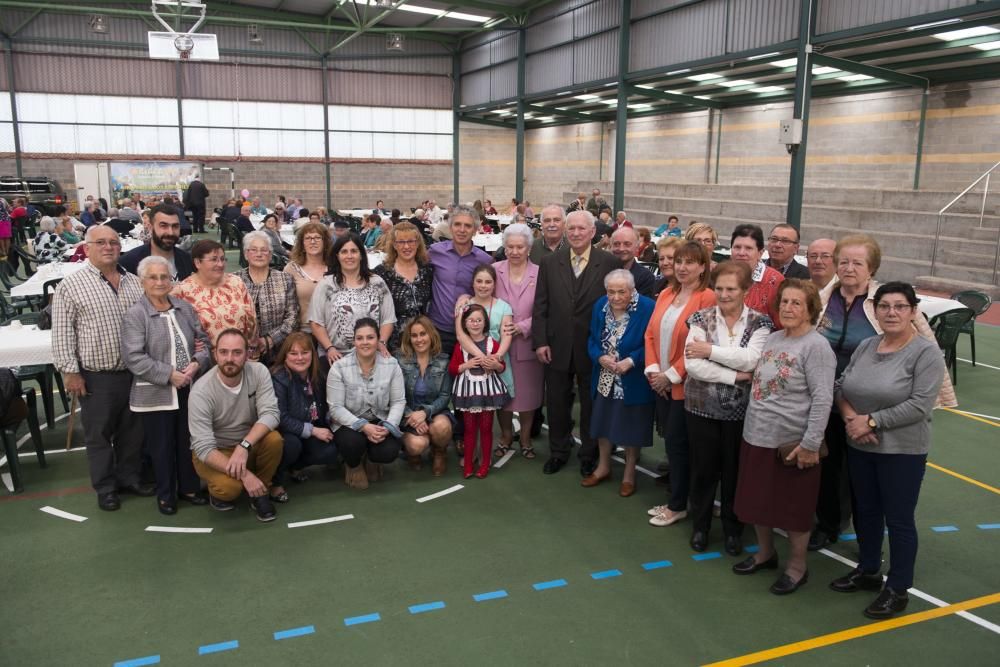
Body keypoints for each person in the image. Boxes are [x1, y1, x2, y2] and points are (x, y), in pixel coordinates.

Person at [831, 282, 946, 619]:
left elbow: (920, 406)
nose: (891, 313)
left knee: (898, 520)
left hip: (902, 452)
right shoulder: (867, 345)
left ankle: (897, 588)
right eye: (884, 306)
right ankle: (868, 570)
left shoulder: (926, 354)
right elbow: (842, 385)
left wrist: (871, 423)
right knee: (865, 512)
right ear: (876, 310)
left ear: (913, 311)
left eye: (899, 306)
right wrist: (853, 419)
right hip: (860, 445)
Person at [732, 279, 835, 595]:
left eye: (797, 303)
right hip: (757, 436)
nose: (788, 308)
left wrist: (810, 444)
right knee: (757, 503)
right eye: (784, 302)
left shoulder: (817, 347)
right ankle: (765, 553)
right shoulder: (774, 338)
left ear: (810, 310)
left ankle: (797, 567)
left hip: (790, 445)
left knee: (794, 511)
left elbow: (822, 399)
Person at [51, 225, 151, 511]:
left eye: (113, 242)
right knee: (99, 436)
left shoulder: (134, 282)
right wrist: (70, 371)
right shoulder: (71, 286)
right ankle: (106, 487)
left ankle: (129, 478)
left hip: (135, 372)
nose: (108, 247)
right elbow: (62, 333)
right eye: (101, 243)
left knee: (133, 432)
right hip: (97, 375)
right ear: (87, 247)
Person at [682, 261, 773, 555]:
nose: (723, 294)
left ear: (745, 290)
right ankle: (701, 527)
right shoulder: (699, 318)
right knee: (703, 471)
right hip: (700, 409)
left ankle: (734, 530)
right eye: (719, 288)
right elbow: (692, 365)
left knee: (735, 473)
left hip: (741, 414)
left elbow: (753, 359)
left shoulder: (761, 323)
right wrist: (734, 375)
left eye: (731, 289)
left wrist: (710, 351)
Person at [533, 210, 619, 477]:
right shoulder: (549, 262)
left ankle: (589, 454)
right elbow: (541, 304)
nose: (576, 233)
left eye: (582, 229)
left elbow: (617, 307)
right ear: (565, 231)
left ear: (593, 232)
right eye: (572, 229)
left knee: (591, 403)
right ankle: (558, 452)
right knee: (557, 402)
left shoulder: (609, 262)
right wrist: (540, 342)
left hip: (593, 348)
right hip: (556, 345)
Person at [122, 255, 211, 515]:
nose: (160, 282)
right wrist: (170, 375)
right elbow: (134, 357)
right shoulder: (135, 315)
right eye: (153, 277)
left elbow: (202, 341)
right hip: (156, 391)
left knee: (187, 440)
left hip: (188, 387)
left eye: (164, 277)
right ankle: (166, 494)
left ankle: (189, 487)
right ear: (142, 281)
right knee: (161, 447)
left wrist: (196, 364)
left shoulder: (184, 308)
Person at [644, 241, 716, 527]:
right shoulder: (666, 293)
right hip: (660, 381)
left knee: (679, 445)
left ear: (702, 267)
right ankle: (678, 497)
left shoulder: (707, 297)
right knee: (673, 445)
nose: (682, 267)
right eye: (679, 261)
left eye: (690, 262)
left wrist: (670, 376)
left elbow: (699, 344)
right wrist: (653, 372)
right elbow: (650, 334)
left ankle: (679, 505)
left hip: (685, 387)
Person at [188, 329, 283, 521]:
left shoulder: (258, 372)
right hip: (216, 450)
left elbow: (271, 414)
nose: (229, 358)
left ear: (247, 354)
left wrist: (244, 446)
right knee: (230, 490)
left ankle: (259, 492)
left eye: (237, 352)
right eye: (223, 352)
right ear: (215, 354)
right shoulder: (200, 391)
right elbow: (204, 447)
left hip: (246, 444)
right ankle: (243, 483)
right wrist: (246, 475)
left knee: (275, 440)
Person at [584, 269, 655, 496]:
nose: (615, 297)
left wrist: (632, 360)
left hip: (632, 378)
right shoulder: (600, 306)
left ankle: (629, 473)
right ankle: (603, 466)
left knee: (632, 426)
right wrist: (599, 357)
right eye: (611, 292)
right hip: (605, 375)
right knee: (603, 422)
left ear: (632, 290)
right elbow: (592, 338)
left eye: (621, 292)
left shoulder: (647, 307)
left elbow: (652, 343)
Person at [328, 318, 406, 489]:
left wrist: (388, 426)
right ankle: (353, 465)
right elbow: (335, 408)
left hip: (379, 421)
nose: (365, 342)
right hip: (349, 423)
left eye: (370, 337)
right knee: (352, 443)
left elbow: (398, 401)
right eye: (360, 338)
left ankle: (371, 460)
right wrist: (363, 426)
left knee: (388, 452)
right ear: (354, 341)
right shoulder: (339, 367)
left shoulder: (392, 365)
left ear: (378, 340)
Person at [268, 332, 339, 503]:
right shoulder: (278, 377)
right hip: (287, 433)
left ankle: (295, 467)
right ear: (285, 356)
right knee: (291, 445)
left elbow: (325, 405)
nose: (300, 358)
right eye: (293, 353)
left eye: (305, 352)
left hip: (312, 427)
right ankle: (275, 483)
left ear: (312, 354)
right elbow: (281, 418)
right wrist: (313, 430)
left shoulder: (318, 373)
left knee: (331, 449)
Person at [492, 223, 544, 459]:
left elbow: (546, 310)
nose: (514, 251)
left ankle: (524, 438)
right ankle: (504, 435)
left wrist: (522, 327)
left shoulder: (541, 273)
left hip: (527, 344)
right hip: (498, 347)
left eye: (519, 247)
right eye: (510, 246)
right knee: (502, 396)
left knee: (528, 396)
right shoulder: (493, 271)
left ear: (528, 248)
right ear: (504, 247)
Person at [309, 234, 395, 364]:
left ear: (361, 255)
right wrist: (330, 348)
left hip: (372, 353)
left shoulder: (377, 283)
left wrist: (381, 342)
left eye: (354, 251)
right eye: (344, 252)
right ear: (337, 256)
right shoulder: (326, 285)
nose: (349, 256)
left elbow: (388, 319)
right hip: (336, 355)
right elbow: (316, 323)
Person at [450, 304, 509, 479]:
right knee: (469, 429)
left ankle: (484, 463)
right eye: (471, 320)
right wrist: (465, 365)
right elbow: (453, 368)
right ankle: (468, 463)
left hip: (487, 393)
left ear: (485, 322)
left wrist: (496, 365)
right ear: (465, 323)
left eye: (479, 320)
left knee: (486, 428)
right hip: (468, 393)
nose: (475, 324)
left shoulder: (492, 343)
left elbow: (502, 367)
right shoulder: (460, 345)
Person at [454, 264, 514, 428]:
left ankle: (505, 437)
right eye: (479, 281)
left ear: (494, 284)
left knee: (501, 401)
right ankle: (472, 448)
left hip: (497, 358)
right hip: (472, 361)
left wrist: (497, 357)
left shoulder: (503, 307)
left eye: (488, 282)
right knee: (474, 408)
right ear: (472, 283)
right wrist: (482, 358)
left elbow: (507, 333)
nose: (483, 285)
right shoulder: (464, 306)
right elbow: (461, 335)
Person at [173, 240, 257, 355]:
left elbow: (252, 320)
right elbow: (176, 332)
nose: (220, 264)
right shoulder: (182, 292)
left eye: (222, 259)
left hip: (240, 358)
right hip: (205, 362)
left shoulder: (235, 282)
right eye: (214, 259)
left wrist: (252, 354)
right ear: (197, 262)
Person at [427, 205, 493, 352]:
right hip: (437, 329)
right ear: (450, 227)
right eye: (457, 224)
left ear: (475, 230)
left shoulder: (485, 260)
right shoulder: (434, 252)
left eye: (468, 226)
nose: (462, 230)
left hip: (471, 332)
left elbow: (490, 293)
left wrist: (469, 295)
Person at [397, 316, 454, 476]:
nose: (419, 339)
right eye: (414, 335)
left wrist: (425, 413)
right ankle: (412, 454)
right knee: (416, 445)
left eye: (423, 334)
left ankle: (439, 451)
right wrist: (412, 416)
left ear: (431, 335)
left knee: (442, 427)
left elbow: (444, 396)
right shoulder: (399, 361)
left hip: (435, 412)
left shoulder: (443, 361)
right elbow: (395, 397)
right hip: (408, 413)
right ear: (409, 339)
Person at [238, 231, 299, 366]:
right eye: (253, 250)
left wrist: (269, 340)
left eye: (264, 250)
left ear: (270, 255)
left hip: (279, 350)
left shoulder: (285, 279)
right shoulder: (234, 280)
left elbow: (293, 317)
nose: (259, 254)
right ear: (246, 254)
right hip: (242, 350)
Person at [373, 222, 434, 353]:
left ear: (418, 243)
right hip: (395, 343)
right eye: (401, 242)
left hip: (423, 339)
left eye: (411, 241)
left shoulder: (428, 270)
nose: (406, 246)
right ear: (394, 245)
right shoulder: (382, 273)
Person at [120, 203, 195, 282]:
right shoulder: (129, 262)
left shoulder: (188, 260)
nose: (170, 232)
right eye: (163, 226)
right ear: (150, 227)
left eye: (175, 226)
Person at [729, 224, 783, 327]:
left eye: (748, 248)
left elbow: (780, 324)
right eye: (737, 247)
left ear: (760, 253)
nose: (741, 253)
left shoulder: (774, 280)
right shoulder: (722, 275)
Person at [284, 222, 332, 332]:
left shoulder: (335, 267)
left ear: (325, 242)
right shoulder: (291, 269)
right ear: (302, 244)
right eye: (308, 238)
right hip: (302, 331)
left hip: (331, 330)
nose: (313, 242)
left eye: (317, 238)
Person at [610, 226, 656, 298]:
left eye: (627, 244)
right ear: (611, 247)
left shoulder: (646, 278)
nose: (621, 249)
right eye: (616, 244)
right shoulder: (600, 271)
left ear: (637, 248)